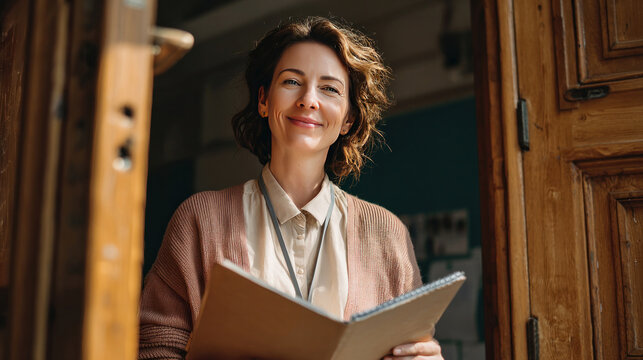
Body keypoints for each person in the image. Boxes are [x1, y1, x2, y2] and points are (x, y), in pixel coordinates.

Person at [138, 16, 443, 360]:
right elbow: (154, 348)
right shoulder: (199, 220)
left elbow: (412, 347)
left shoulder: (388, 234)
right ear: (264, 100)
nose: (309, 99)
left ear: (347, 119)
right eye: (292, 81)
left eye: (329, 88)